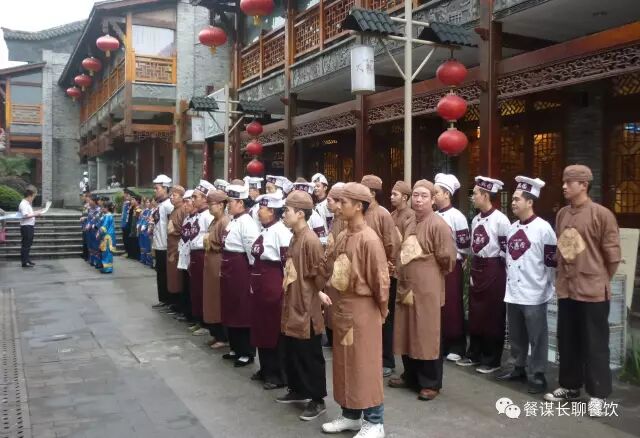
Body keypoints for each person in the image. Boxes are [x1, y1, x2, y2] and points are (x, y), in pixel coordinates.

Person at [544, 165, 621, 417]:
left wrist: (599, 278)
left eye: (569, 182)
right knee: (567, 340)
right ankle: (570, 386)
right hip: (567, 288)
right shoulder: (562, 214)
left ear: (584, 185)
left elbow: (612, 257)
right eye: (564, 181)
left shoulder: (602, 215)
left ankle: (598, 395)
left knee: (595, 344)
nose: (564, 186)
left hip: (593, 291)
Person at [320, 182, 390, 438]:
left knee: (365, 365)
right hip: (343, 307)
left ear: (359, 206)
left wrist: (381, 310)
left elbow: (381, 281)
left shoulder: (369, 239)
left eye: (343, 202)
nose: (338, 206)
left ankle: (375, 421)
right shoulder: (343, 235)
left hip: (363, 310)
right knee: (344, 363)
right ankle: (350, 415)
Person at [389, 179, 456, 402]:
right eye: (416, 195)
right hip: (407, 285)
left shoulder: (438, 224)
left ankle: (430, 382)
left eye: (424, 196)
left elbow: (447, 259)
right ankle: (410, 375)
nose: (418, 200)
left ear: (433, 199)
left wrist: (429, 274)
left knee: (426, 332)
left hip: (427, 287)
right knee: (407, 330)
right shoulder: (410, 222)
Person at [497, 176, 556, 394]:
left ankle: (538, 373)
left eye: (517, 199)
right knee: (516, 334)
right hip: (513, 292)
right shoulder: (512, 228)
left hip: (535, 292)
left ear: (530, 202)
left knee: (537, 336)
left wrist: (546, 287)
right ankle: (518, 367)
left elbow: (551, 263)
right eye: (513, 199)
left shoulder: (544, 229)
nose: (513, 203)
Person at [278, 190, 327, 421]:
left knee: (310, 355)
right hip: (293, 302)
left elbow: (320, 275)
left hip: (306, 306)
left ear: (300, 213)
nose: (283, 214)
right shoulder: (294, 236)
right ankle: (298, 390)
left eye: (286, 210)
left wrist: (315, 294)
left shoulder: (310, 240)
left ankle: (317, 400)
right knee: (293, 351)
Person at [457, 176, 510, 374]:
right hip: (477, 267)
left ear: (486, 195)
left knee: (492, 314)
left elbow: (506, 250)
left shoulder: (501, 220)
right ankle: (474, 354)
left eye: (476, 194)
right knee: (476, 312)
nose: (472, 197)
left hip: (494, 268)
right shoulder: (476, 219)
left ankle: (492, 359)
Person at [249, 192, 292, 390]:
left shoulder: (281, 232)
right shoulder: (265, 230)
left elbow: (286, 264)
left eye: (263, 208)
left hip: (273, 285)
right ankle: (265, 368)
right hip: (260, 285)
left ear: (272, 212)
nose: (259, 212)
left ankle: (277, 374)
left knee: (273, 329)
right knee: (261, 327)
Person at [360, 174, 400, 377]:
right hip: (363, 274)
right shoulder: (360, 212)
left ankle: (387, 360)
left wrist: (387, 266)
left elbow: (391, 243)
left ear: (372, 193)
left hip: (381, 272)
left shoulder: (382, 214)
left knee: (385, 317)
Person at [221, 183, 260, 367]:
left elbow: (252, 250)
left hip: (241, 269)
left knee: (242, 309)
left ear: (241, 203)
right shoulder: (233, 220)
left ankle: (247, 351)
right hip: (229, 268)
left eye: (231, 201)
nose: (228, 204)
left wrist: (251, 274)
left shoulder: (247, 223)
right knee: (230, 307)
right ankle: (235, 347)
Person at [433, 173, 471, 362]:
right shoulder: (433, 215)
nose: (434, 195)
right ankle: (439, 343)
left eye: (436, 192)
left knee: (452, 305)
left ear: (447, 194)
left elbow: (464, 246)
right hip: (434, 268)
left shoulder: (458, 217)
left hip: (452, 267)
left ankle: (456, 345)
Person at [185, 181, 215, 336]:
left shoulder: (208, 216)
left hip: (203, 254)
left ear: (204, 199)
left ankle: (205, 322)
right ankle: (198, 319)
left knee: (203, 290)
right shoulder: (197, 215)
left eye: (195, 197)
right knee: (195, 289)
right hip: (194, 254)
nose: (193, 199)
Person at [203, 189, 230, 348]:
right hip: (210, 263)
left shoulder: (224, 222)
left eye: (211, 204)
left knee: (217, 300)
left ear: (221, 205)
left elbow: (224, 245)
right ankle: (215, 333)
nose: (209, 207)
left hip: (218, 263)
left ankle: (222, 337)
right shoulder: (214, 221)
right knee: (211, 299)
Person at [151, 175, 175, 310]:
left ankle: (169, 301)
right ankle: (163, 299)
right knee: (160, 273)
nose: (155, 191)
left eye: (157, 188)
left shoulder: (169, 205)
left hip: (166, 245)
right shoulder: (160, 205)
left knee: (166, 275)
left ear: (165, 188)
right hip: (159, 244)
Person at [167, 185, 188, 318]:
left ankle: (180, 306)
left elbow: (183, 230)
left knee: (178, 278)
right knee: (172, 277)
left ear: (181, 197)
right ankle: (174, 304)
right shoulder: (174, 210)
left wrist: (173, 230)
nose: (171, 197)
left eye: (174, 195)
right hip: (171, 247)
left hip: (178, 249)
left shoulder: (183, 210)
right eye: (171, 195)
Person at [178, 190, 196, 323]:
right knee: (185, 287)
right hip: (184, 257)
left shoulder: (199, 218)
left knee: (192, 289)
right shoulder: (187, 218)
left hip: (192, 258)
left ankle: (192, 317)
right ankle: (186, 313)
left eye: (187, 201)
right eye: (183, 202)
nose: (185, 205)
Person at [292, 179, 328, 244]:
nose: (299, 199)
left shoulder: (314, 216)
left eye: (302, 196)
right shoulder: (288, 213)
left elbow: (322, 241)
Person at [18, 186, 43, 268]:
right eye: (33, 196)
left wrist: (37, 212)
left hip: (29, 226)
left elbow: (29, 213)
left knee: (28, 244)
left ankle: (27, 260)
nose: (33, 198)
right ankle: (24, 262)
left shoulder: (27, 204)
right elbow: (25, 215)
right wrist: (36, 214)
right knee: (26, 245)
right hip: (26, 227)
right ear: (29, 196)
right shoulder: (23, 204)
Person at [98, 201, 117, 274]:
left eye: (103, 207)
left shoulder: (107, 216)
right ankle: (107, 267)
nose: (102, 208)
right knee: (107, 252)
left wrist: (99, 232)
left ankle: (107, 268)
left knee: (107, 252)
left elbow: (104, 227)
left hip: (107, 237)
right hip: (108, 236)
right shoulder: (107, 215)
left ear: (106, 208)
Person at [126, 193, 142, 262]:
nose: (132, 201)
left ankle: (137, 256)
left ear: (137, 201)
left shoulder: (138, 208)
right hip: (132, 227)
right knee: (132, 241)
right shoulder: (133, 208)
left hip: (136, 227)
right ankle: (133, 254)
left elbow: (138, 218)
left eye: (133, 200)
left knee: (136, 242)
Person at [121, 189, 132, 257]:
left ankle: (128, 252)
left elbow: (127, 214)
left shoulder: (128, 203)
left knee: (127, 238)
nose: (123, 195)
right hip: (123, 223)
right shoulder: (125, 203)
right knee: (124, 238)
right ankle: (126, 251)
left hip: (127, 223)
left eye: (124, 193)